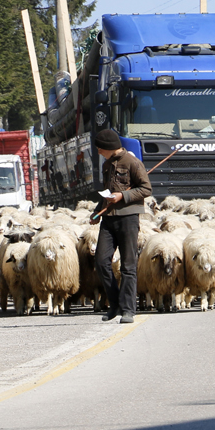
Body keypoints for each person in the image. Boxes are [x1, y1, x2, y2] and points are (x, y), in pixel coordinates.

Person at [93, 128, 152, 323]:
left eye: (101, 149)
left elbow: (146, 189)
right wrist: (96, 211)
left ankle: (128, 310)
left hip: (128, 219)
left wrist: (123, 196)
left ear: (109, 147)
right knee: (101, 262)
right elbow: (107, 192)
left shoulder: (133, 163)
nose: (99, 152)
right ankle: (115, 303)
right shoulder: (106, 165)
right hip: (108, 219)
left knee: (128, 266)